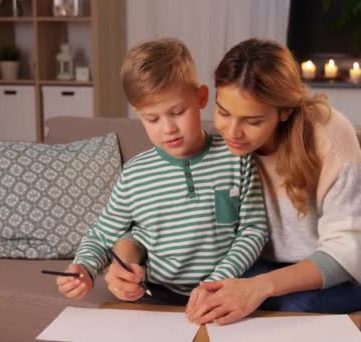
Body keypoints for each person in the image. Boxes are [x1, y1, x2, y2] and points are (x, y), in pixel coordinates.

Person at [181, 38, 361, 324]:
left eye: (252, 121)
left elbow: (348, 249)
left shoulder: (328, 133)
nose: (233, 132)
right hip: (276, 265)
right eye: (223, 113)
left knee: (295, 304)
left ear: (285, 111)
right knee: (207, 295)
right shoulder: (220, 146)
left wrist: (261, 286)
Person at [55, 38, 268, 303]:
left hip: (225, 286)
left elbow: (253, 230)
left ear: (201, 98)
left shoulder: (236, 158)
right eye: (152, 118)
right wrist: (83, 267)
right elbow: (100, 235)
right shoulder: (134, 176)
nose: (168, 129)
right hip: (156, 291)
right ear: (138, 114)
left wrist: (217, 281)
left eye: (178, 112)